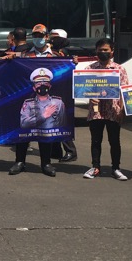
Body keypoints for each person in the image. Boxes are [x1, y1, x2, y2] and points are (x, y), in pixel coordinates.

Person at [9, 24, 56, 177]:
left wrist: (73, 62)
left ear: (46, 37)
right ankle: (20, 161)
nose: (38, 38)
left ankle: (46, 163)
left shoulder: (55, 56)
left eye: (40, 35)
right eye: (35, 36)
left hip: (47, 99)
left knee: (45, 131)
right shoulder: (25, 56)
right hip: (28, 99)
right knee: (23, 130)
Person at [82, 38, 130, 181]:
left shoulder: (119, 69)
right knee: (96, 140)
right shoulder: (89, 69)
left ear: (112, 52)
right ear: (96, 51)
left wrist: (121, 110)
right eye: (100, 50)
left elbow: (124, 90)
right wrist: (90, 96)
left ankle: (116, 168)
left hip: (113, 111)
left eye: (106, 50)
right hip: (95, 111)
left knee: (114, 141)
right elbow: (82, 88)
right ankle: (95, 167)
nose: (103, 52)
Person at [9, 67, 63, 178]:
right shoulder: (28, 103)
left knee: (46, 135)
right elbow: (24, 123)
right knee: (22, 135)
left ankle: (46, 164)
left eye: (45, 83)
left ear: (50, 86)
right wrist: (43, 116)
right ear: (34, 88)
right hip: (28, 131)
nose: (42, 85)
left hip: (47, 132)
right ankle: (20, 162)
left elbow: (62, 122)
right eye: (38, 83)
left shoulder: (58, 102)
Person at [49, 28, 78, 163]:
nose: (51, 40)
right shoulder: (53, 52)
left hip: (61, 91)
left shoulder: (63, 53)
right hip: (52, 89)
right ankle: (56, 150)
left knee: (61, 121)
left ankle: (70, 151)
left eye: (55, 37)